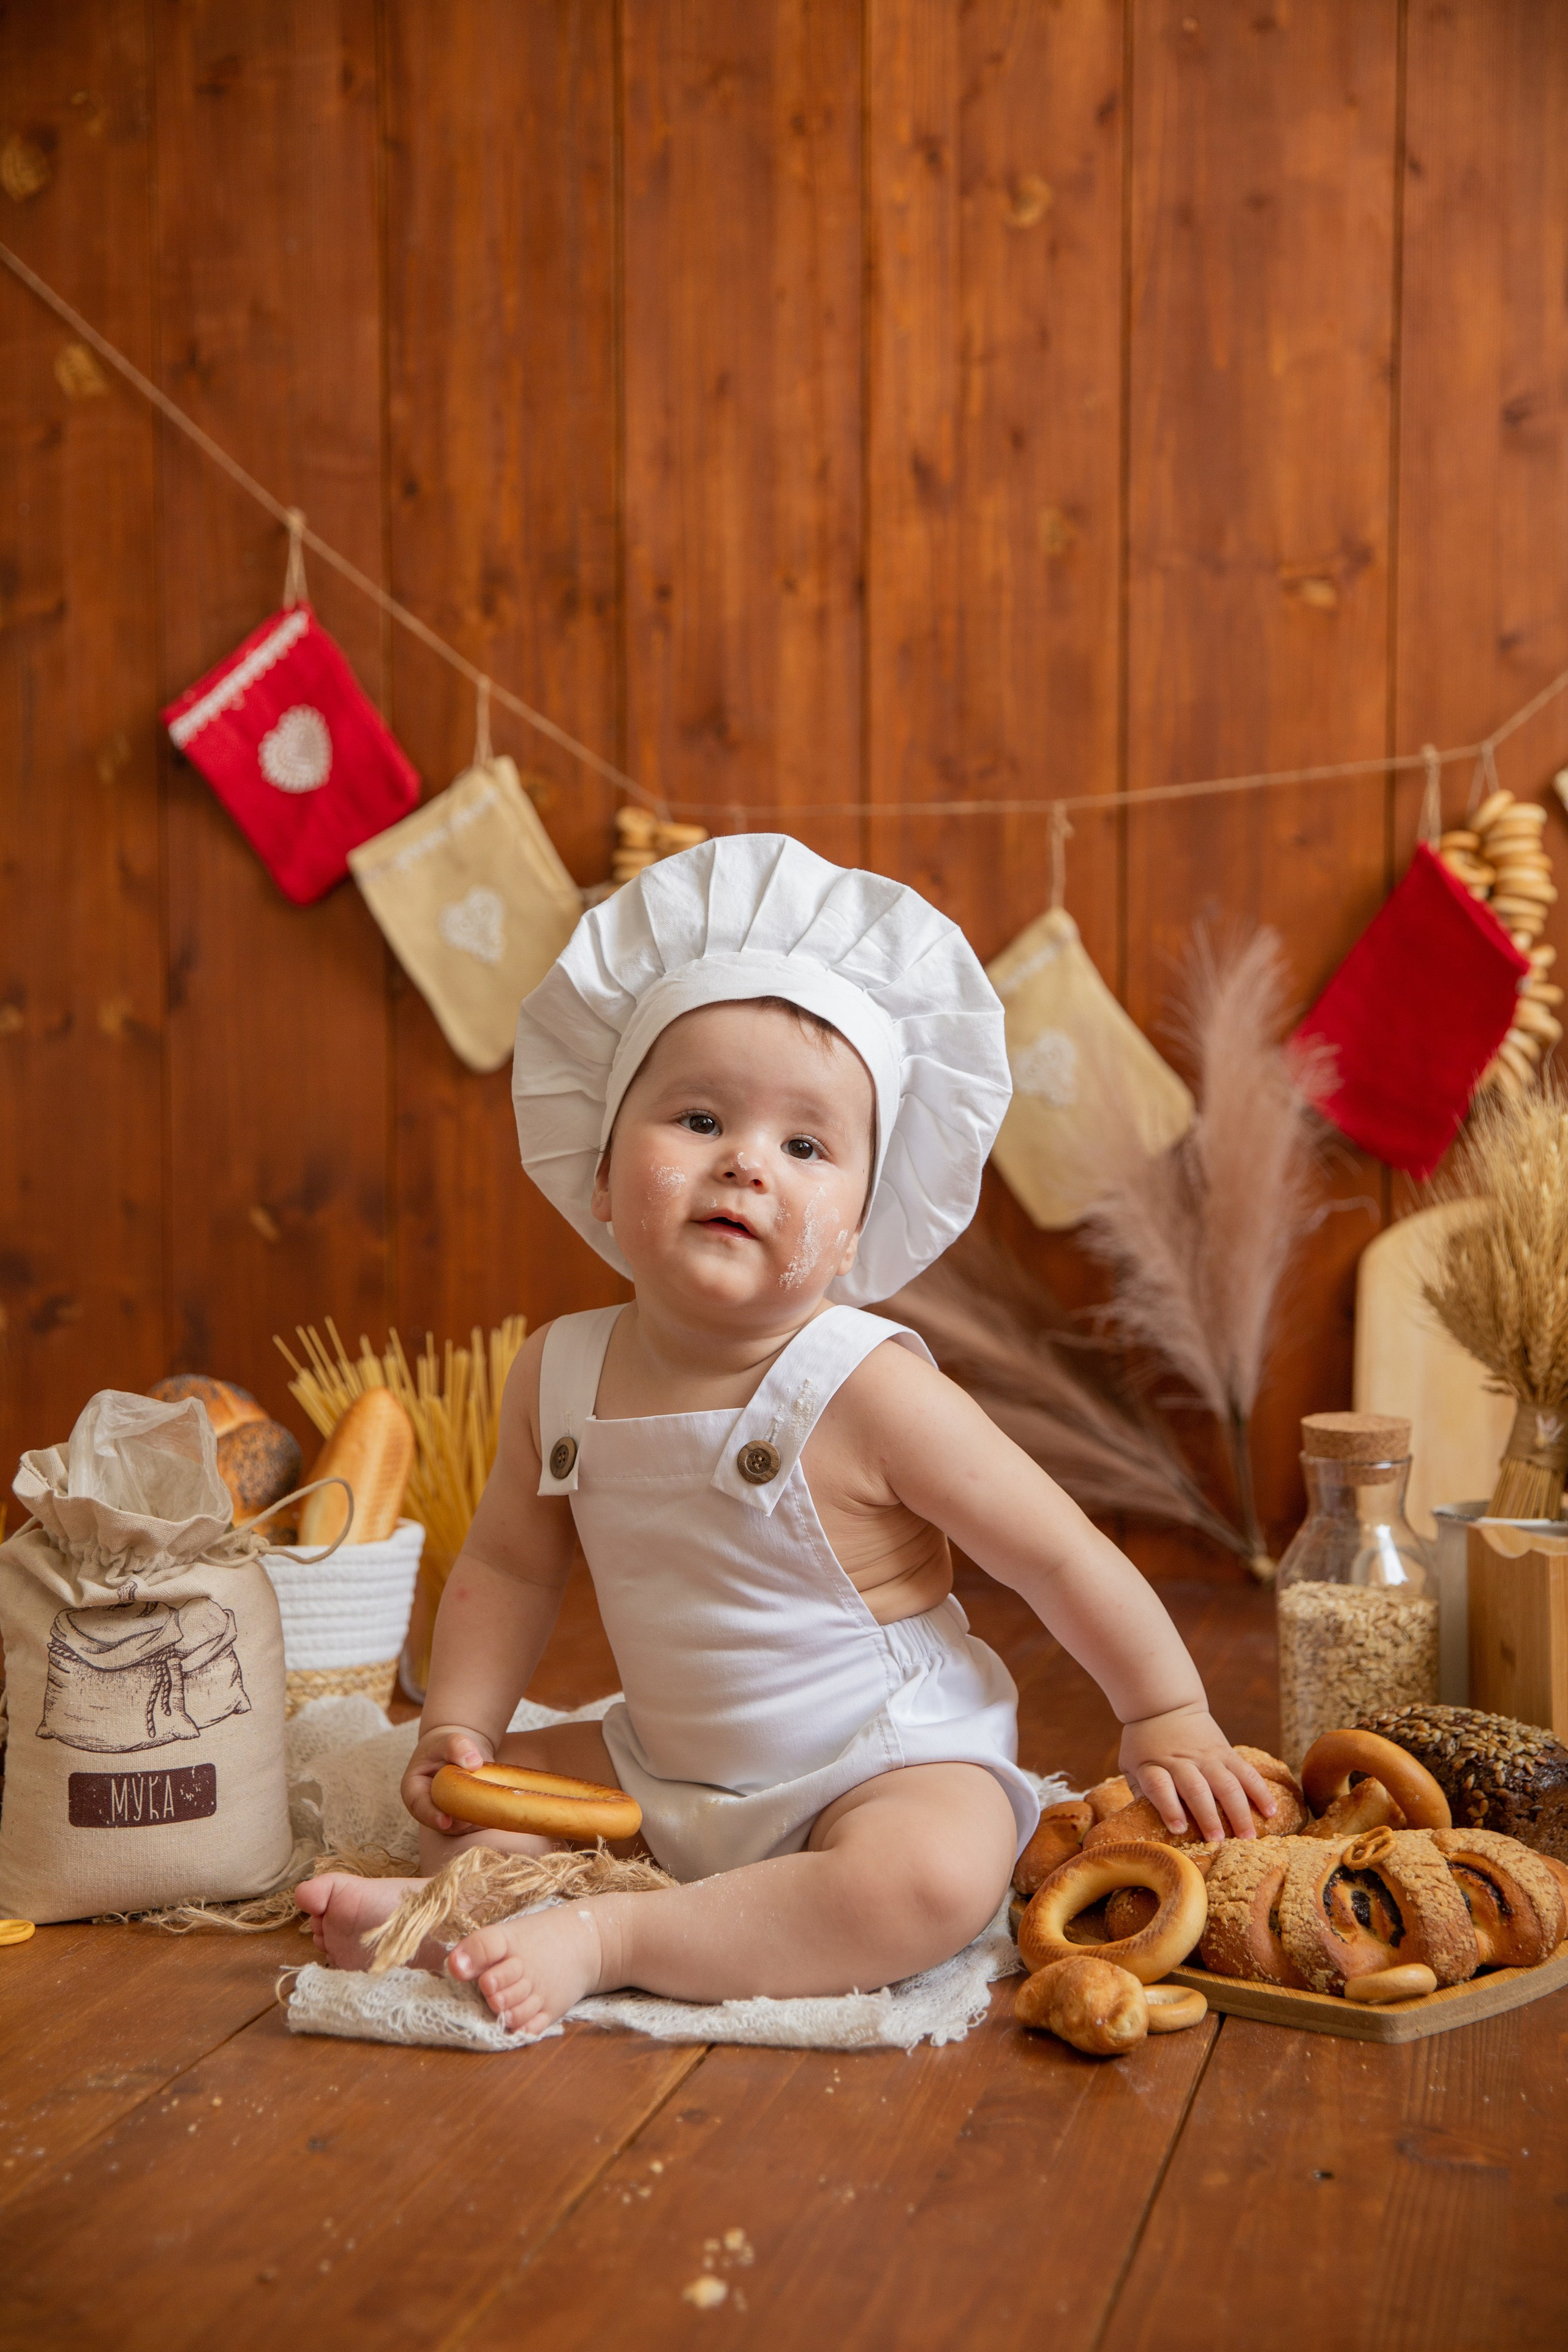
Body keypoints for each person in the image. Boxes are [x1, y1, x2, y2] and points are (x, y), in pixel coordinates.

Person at [297, 835, 1274, 2034]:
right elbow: (507, 1563)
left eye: (804, 1146)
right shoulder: (559, 1369)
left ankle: (612, 1933)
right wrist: (465, 1724)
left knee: (928, 1878)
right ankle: (437, 1911)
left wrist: (1163, 1708)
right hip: (669, 1766)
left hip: (877, 1769)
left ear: (860, 1229)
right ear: (600, 1172)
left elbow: (1055, 1554)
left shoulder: (862, 1387)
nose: (745, 1163)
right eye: (698, 1117)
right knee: (496, 1798)